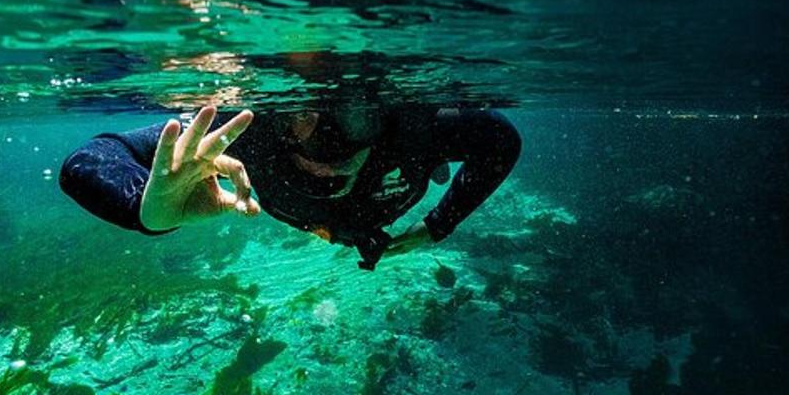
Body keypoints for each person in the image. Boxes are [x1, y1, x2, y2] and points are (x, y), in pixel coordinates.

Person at [59, 103, 521, 269]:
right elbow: (87, 161)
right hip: (319, 216)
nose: (326, 139)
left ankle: (428, 170)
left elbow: (500, 140)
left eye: (352, 112)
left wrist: (441, 223)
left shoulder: (414, 126)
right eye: (301, 117)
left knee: (425, 159)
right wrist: (149, 209)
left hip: (388, 198)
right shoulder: (248, 130)